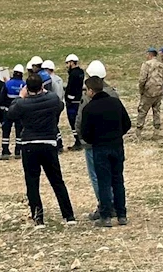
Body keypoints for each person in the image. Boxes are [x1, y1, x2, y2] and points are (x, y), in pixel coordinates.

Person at [6, 73, 76, 227]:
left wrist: (20, 96)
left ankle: (38, 218)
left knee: (32, 182)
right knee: (57, 181)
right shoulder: (51, 99)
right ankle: (68, 215)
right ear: (42, 87)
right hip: (49, 143)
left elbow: (11, 113)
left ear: (27, 88)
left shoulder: (22, 104)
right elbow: (60, 105)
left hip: (29, 144)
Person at [81, 75, 131, 228]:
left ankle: (106, 216)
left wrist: (95, 139)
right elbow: (127, 123)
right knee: (118, 180)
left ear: (91, 91)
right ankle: (122, 215)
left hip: (100, 148)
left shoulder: (89, 108)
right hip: (117, 145)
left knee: (103, 181)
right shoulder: (115, 102)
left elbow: (85, 133)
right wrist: (117, 134)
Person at [76, 60, 120, 221]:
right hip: (113, 141)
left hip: (93, 143)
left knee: (96, 176)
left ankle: (104, 205)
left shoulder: (88, 95)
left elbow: (80, 120)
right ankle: (116, 204)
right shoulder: (113, 93)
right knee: (114, 174)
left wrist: (82, 138)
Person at [0, 65, 26, 159]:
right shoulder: (24, 84)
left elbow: (2, 98)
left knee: (6, 131)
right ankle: (18, 151)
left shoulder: (7, 84)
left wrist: (2, 109)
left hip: (8, 111)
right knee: (19, 131)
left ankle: (5, 150)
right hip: (19, 112)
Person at [137, 47, 163, 138]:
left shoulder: (146, 65)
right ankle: (156, 131)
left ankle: (139, 132)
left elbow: (142, 79)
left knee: (142, 111)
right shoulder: (161, 65)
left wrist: (141, 90)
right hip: (159, 90)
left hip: (149, 92)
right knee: (156, 111)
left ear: (150, 54)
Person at [64, 54, 85, 150]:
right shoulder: (81, 72)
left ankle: (78, 141)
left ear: (72, 62)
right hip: (79, 99)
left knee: (73, 121)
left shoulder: (73, 74)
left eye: (68, 63)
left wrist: (68, 98)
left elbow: (70, 88)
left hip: (72, 101)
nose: (67, 65)